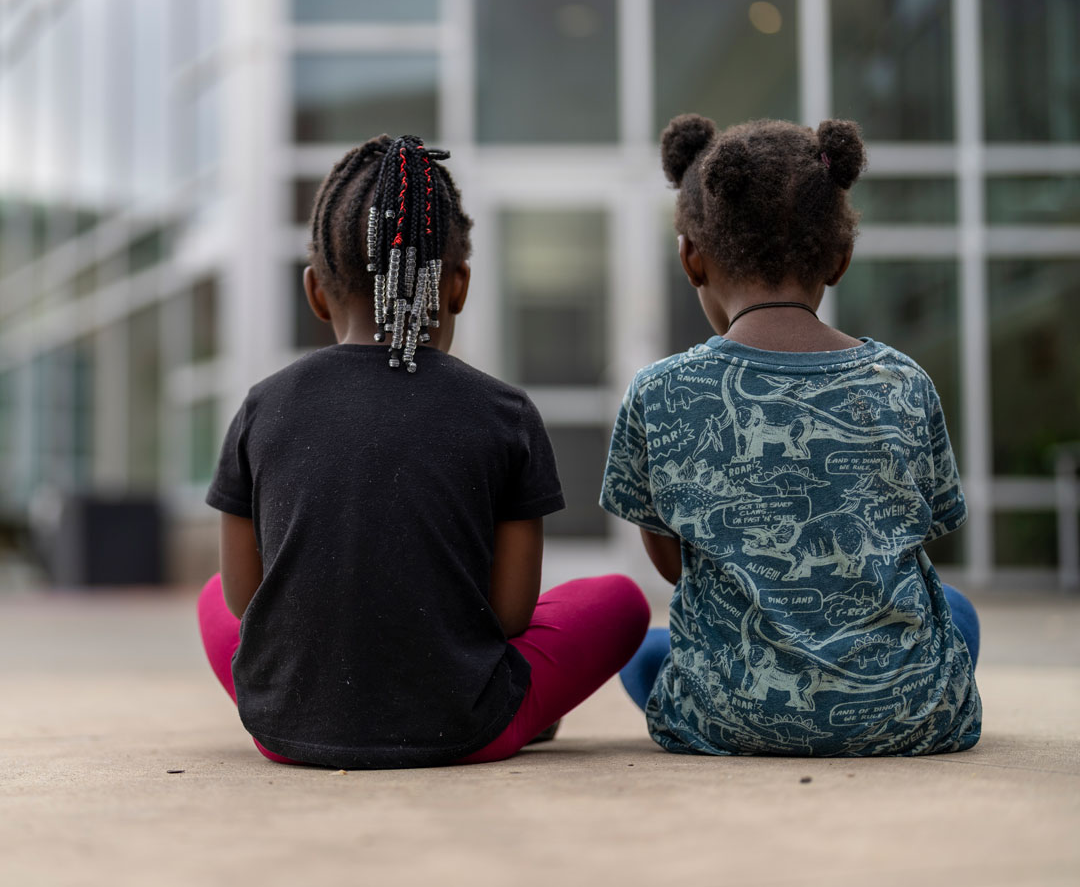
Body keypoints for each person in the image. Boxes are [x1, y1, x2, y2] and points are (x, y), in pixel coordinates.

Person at [198, 134, 650, 768]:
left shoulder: (261, 406)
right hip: (465, 725)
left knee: (211, 595)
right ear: (459, 285)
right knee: (620, 601)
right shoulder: (506, 414)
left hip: (287, 730)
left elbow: (246, 601)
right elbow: (512, 616)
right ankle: (526, 712)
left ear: (315, 291)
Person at [601, 114, 981, 757]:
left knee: (647, 648)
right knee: (956, 610)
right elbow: (920, 535)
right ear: (840, 257)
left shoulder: (657, 392)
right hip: (908, 718)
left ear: (691, 257)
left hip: (724, 718)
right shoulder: (905, 381)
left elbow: (672, 567)